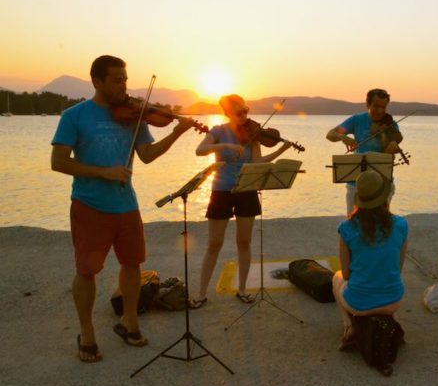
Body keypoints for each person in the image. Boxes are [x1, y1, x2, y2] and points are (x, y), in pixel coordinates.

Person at [50, 55, 195, 363]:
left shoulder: (135, 115)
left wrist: (176, 133)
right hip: (89, 205)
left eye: (125, 80)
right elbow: (58, 161)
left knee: (132, 264)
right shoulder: (75, 116)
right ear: (97, 81)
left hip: (126, 204)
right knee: (86, 271)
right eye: (116, 80)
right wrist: (104, 172)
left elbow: (147, 155)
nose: (123, 87)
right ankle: (87, 332)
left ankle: (129, 320)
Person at [188, 94, 293, 308]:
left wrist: (281, 150)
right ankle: (201, 293)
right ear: (227, 112)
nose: (245, 115)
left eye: (246, 110)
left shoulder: (252, 134)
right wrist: (223, 145)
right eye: (239, 112)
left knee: (243, 242)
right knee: (214, 244)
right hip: (221, 190)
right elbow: (200, 150)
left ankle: (243, 289)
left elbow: (257, 161)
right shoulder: (218, 131)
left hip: (247, 189)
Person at [331, 170, 408, 351]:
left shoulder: (346, 228)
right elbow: (398, 267)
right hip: (394, 300)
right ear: (384, 197)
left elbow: (347, 274)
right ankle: (392, 318)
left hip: (358, 304)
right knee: (387, 275)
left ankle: (349, 326)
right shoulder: (401, 224)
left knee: (336, 277)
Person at [326, 88, 403, 215]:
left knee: (381, 224)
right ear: (367, 104)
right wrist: (342, 137)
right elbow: (330, 134)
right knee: (353, 222)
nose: (380, 111)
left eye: (383, 107)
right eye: (376, 106)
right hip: (356, 182)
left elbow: (388, 157)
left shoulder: (390, 125)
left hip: (381, 184)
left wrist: (389, 146)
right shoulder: (357, 120)